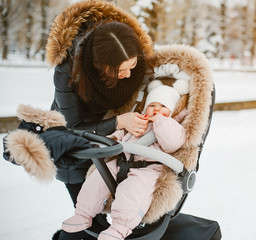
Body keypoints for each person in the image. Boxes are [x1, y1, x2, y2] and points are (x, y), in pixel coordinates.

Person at [45, 0, 154, 206]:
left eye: (132, 66)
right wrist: (118, 122)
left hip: (113, 149)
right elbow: (73, 128)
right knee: (88, 216)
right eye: (121, 70)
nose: (128, 74)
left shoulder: (130, 52)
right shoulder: (67, 73)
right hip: (75, 147)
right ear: (100, 65)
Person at [61, 81, 187, 240]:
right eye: (152, 105)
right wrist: (109, 139)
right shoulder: (139, 121)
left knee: (132, 192)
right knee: (96, 179)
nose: (156, 109)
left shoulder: (172, 126)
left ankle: (119, 228)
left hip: (147, 169)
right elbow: (119, 135)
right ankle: (83, 214)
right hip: (121, 162)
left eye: (162, 106)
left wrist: (162, 121)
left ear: (172, 110)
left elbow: (172, 144)